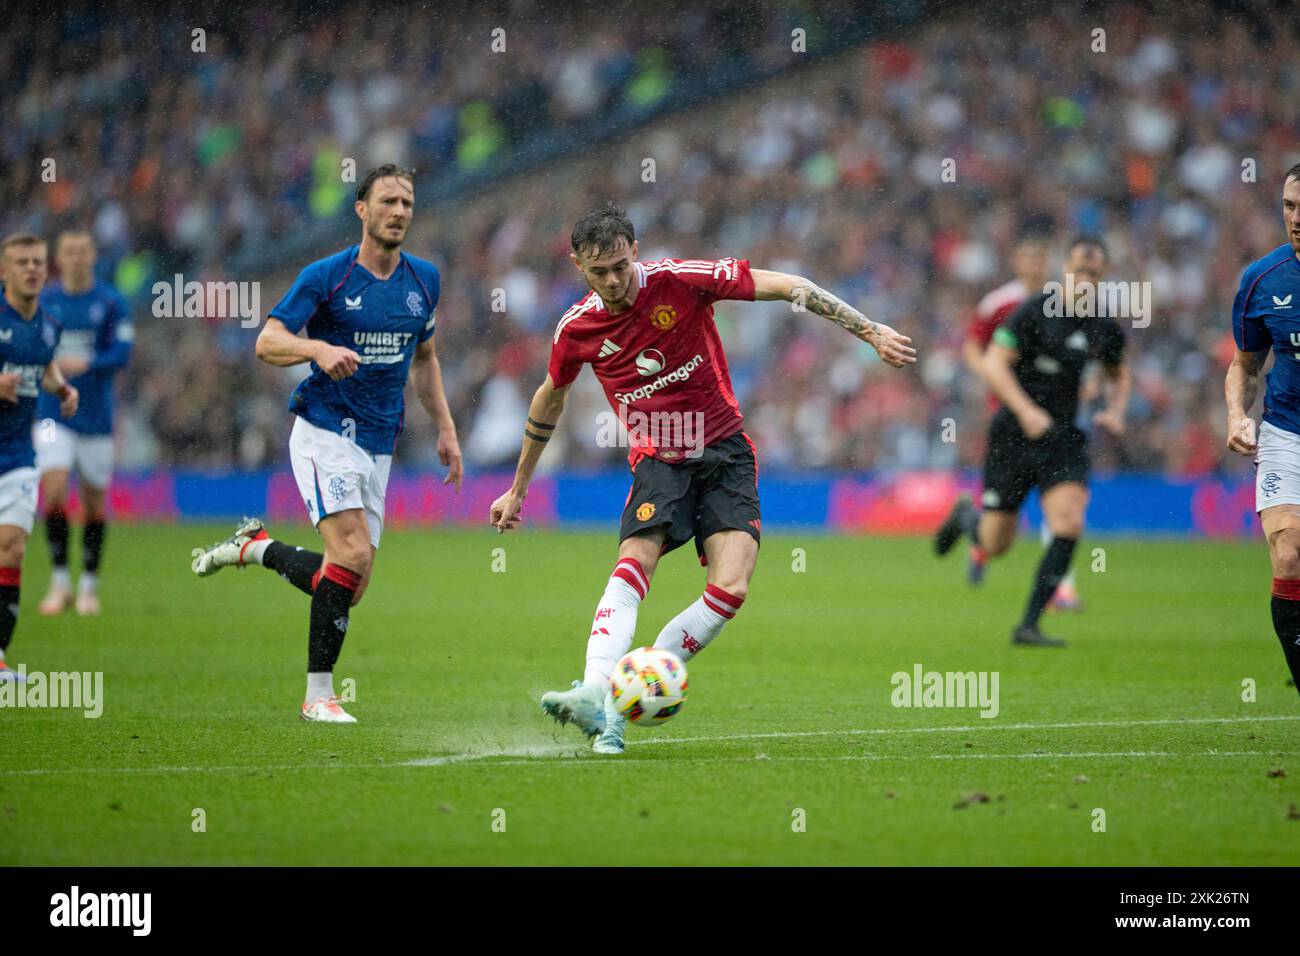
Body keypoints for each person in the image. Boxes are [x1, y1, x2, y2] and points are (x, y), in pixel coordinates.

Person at [489, 202, 915, 753]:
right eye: (600, 272)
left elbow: (790, 286)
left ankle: (620, 705)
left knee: (732, 585)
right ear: (577, 265)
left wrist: (869, 330)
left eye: (621, 265)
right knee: (634, 561)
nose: (615, 280)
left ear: (634, 250)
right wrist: (519, 487)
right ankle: (594, 689)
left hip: (725, 451)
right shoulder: (577, 329)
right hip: (659, 459)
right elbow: (551, 398)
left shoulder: (682, 281)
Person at [190, 165, 463, 721]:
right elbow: (267, 342)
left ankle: (257, 548)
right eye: (387, 201)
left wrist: (446, 427)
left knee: (350, 584)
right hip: (323, 430)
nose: (399, 212)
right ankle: (318, 696)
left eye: (407, 202)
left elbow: (426, 358)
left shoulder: (425, 280)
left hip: (378, 442)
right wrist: (316, 350)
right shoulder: (327, 277)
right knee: (354, 553)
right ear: (361, 210)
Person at [934, 236, 1130, 647]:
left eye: (1094, 274)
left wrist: (1115, 409)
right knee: (996, 543)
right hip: (1012, 435)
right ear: (1064, 270)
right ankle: (966, 516)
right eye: (1079, 271)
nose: (1085, 281)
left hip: (1062, 438)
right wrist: (1025, 411)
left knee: (1068, 520)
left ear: (1104, 278)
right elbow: (993, 363)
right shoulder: (1034, 311)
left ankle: (1029, 625)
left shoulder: (1103, 325)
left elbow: (1118, 370)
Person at [1225, 162, 1300, 698]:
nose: (1296, 219)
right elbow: (1245, 364)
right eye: (1290, 207)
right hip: (1286, 435)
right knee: (1289, 553)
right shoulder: (1262, 280)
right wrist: (1236, 414)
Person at [36, 230, 133, 617]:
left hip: (96, 418)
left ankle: (88, 586)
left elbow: (123, 353)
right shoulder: (45, 300)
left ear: (93, 255)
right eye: (69, 251)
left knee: (94, 504)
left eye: (83, 251)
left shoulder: (111, 301)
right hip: (50, 414)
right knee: (55, 490)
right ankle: (60, 582)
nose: (76, 257)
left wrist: (88, 364)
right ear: (59, 257)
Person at [0, 233, 79, 682]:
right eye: (22, 262)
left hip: (17, 457)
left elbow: (44, 364)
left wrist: (63, 388)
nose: (31, 269)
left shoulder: (48, 324)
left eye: (37, 261)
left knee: (10, 550)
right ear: (4, 272)